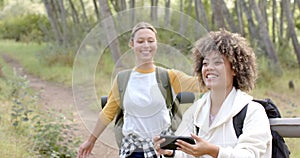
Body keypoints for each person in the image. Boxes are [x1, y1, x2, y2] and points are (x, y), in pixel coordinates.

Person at [77, 22, 202, 158]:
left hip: (163, 149)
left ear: (156, 44)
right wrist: (90, 141)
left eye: (150, 41)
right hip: (133, 150)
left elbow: (200, 85)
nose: (146, 45)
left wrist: (214, 67)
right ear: (132, 44)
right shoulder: (122, 79)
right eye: (140, 41)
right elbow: (108, 113)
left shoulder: (169, 76)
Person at [154, 29, 272, 158]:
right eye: (205, 63)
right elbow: (186, 153)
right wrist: (170, 152)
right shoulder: (195, 111)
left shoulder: (252, 111)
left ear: (235, 69)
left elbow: (249, 155)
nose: (209, 67)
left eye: (217, 62)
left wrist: (213, 151)